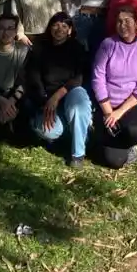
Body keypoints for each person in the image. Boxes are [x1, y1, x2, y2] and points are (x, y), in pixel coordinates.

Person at [23, 12, 92, 168]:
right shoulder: (40, 47)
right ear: (49, 27)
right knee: (51, 132)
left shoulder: (77, 48)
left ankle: (78, 154)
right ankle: (74, 130)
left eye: (64, 26)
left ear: (69, 30)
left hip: (70, 94)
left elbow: (79, 78)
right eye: (55, 25)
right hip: (47, 98)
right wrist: (45, 101)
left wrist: (58, 96)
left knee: (79, 101)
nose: (59, 29)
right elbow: (33, 77)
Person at [91, 7, 137, 168]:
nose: (123, 25)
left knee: (136, 132)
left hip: (135, 103)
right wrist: (108, 112)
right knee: (115, 161)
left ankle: (131, 143)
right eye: (119, 21)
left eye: (127, 21)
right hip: (109, 103)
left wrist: (119, 112)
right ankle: (108, 142)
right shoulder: (108, 44)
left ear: (136, 24)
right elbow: (97, 77)